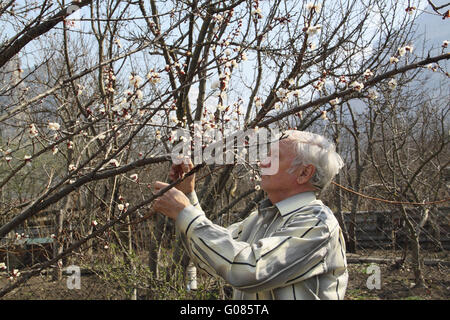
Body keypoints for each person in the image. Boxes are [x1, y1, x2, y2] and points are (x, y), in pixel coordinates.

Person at [152, 130, 348, 300]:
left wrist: (186, 213)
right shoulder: (260, 219)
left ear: (304, 173)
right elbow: (212, 257)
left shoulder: (317, 224)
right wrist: (188, 195)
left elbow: (249, 270)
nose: (262, 162)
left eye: (275, 157)